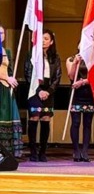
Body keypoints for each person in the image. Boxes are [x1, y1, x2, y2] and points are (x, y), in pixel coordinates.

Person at [25, 29, 62, 162]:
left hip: (48, 91)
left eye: (46, 39)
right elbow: (28, 74)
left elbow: (57, 77)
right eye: (41, 38)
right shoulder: (32, 54)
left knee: (46, 118)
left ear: (51, 42)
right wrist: (39, 90)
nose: (43, 41)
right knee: (34, 117)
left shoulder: (55, 58)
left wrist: (49, 91)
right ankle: (33, 151)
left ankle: (43, 152)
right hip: (35, 90)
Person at [66, 47, 94, 162]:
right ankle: (76, 150)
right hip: (76, 95)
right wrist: (75, 63)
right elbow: (71, 76)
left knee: (87, 124)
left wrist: (83, 82)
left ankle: (85, 151)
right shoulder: (71, 59)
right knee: (76, 122)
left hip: (89, 94)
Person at [0, 25, 23, 158]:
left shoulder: (6, 51)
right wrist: (6, 78)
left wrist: (11, 79)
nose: (0, 35)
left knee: (8, 117)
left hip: (6, 88)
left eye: (2, 33)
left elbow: (10, 71)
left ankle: (7, 152)